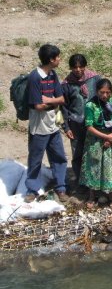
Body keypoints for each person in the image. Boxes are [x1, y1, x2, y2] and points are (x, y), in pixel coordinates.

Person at [24, 44, 68, 203]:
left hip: (53, 124)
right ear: (51, 59)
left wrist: (49, 100)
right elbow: (38, 106)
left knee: (58, 156)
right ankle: (32, 189)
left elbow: (61, 99)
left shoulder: (53, 74)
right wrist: (54, 102)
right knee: (35, 158)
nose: (59, 60)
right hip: (39, 126)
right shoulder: (35, 77)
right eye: (57, 57)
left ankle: (61, 187)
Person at [80, 78, 112, 208]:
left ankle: (110, 196)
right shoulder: (90, 105)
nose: (105, 95)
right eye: (101, 92)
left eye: (107, 92)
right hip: (95, 140)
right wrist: (105, 137)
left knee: (111, 167)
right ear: (96, 91)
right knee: (94, 167)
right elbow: (89, 125)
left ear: (111, 92)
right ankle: (92, 196)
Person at [61, 54, 101, 183]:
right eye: (75, 67)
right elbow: (64, 108)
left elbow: (103, 98)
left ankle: (95, 180)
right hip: (76, 124)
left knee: (94, 152)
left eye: (80, 67)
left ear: (85, 66)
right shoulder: (66, 85)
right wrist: (66, 127)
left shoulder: (95, 79)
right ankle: (81, 181)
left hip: (94, 123)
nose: (78, 70)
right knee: (78, 153)